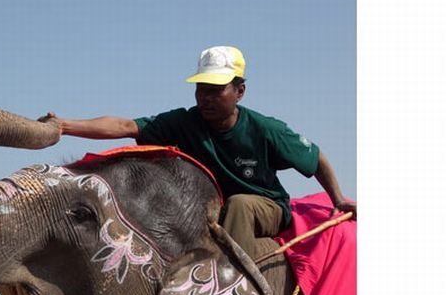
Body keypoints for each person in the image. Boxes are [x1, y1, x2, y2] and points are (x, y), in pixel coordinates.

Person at [39, 45, 356, 253]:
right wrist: (66, 126)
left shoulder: (266, 129)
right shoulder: (185, 122)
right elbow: (125, 127)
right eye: (200, 90)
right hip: (212, 207)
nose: (204, 98)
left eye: (215, 91)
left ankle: (229, 286)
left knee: (242, 205)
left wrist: (338, 200)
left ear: (239, 92)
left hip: (264, 206)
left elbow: (317, 159)